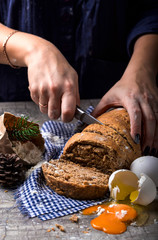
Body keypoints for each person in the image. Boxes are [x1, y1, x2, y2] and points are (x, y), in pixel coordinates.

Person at [0, 0, 158, 156]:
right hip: (16, 106)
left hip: (125, 99)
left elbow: (151, 11)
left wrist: (143, 69)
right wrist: (33, 51)